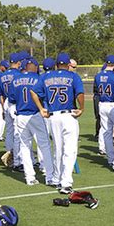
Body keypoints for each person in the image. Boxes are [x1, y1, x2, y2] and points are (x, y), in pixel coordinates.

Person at [31, 52, 85, 194]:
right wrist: (82, 108)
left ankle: (57, 178)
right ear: (68, 65)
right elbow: (80, 93)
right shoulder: (73, 76)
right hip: (68, 115)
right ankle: (66, 183)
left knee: (58, 150)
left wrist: (42, 109)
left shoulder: (46, 76)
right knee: (70, 150)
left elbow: (33, 92)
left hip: (53, 116)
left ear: (56, 65)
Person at [9, 58, 54, 186]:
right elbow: (45, 96)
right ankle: (49, 176)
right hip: (35, 114)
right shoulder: (39, 79)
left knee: (25, 147)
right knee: (44, 145)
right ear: (32, 66)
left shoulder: (15, 79)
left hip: (21, 116)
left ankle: (29, 177)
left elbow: (12, 99)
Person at [0, 53, 23, 170]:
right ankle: (16, 159)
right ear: (18, 63)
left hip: (6, 103)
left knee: (9, 131)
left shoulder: (1, 75)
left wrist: (3, 108)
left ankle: (9, 153)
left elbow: (1, 95)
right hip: (15, 103)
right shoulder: (19, 75)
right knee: (18, 132)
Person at [94, 55, 114, 163]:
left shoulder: (98, 75)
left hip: (102, 103)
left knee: (106, 131)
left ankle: (110, 158)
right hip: (112, 104)